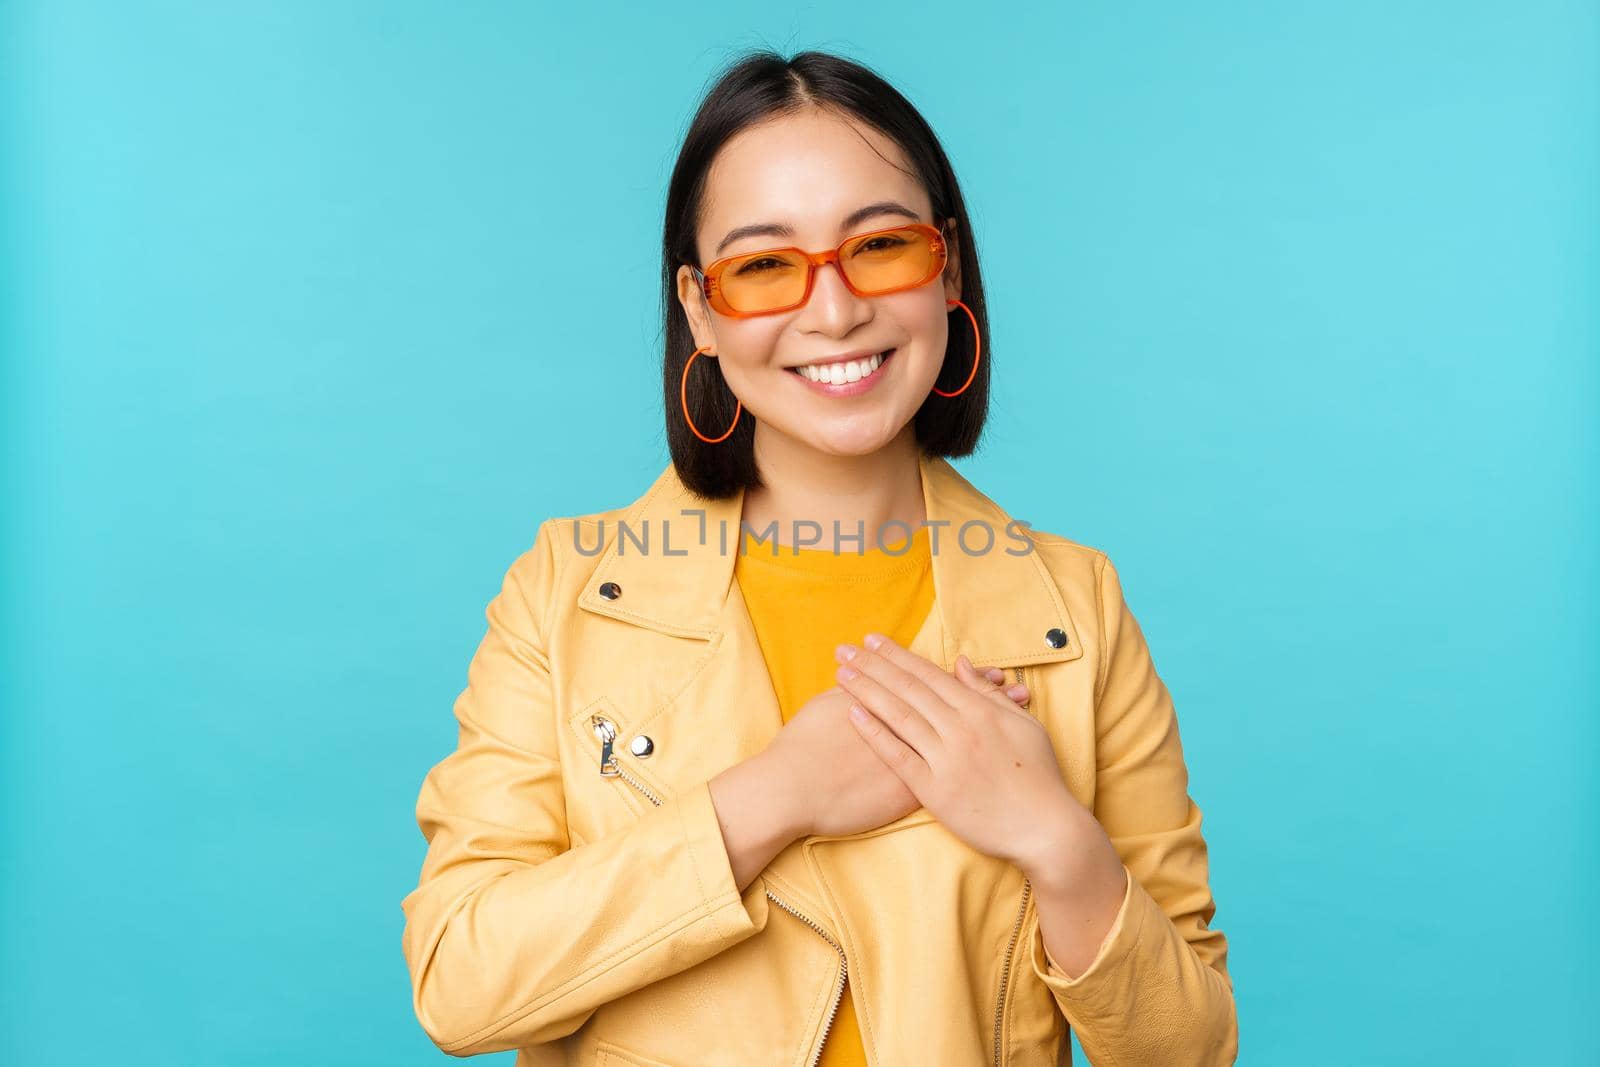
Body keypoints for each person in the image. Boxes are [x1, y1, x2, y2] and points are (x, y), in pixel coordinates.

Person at [401, 49, 1238, 1066]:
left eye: (880, 246)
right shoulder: (565, 589)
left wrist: (1059, 843)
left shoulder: (1076, 604)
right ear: (700, 311)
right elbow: (459, 983)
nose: (834, 310)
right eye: (764, 266)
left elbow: (1188, 1047)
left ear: (948, 267)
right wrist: (777, 793)